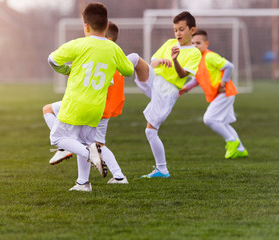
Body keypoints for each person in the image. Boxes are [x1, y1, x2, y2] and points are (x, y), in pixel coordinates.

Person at [47, 3, 134, 192]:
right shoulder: (113, 49)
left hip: (75, 104)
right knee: (85, 141)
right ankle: (82, 183)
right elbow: (128, 70)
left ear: (85, 25)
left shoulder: (79, 43)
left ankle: (88, 153)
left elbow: (52, 59)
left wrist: (67, 70)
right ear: (106, 24)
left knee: (57, 138)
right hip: (96, 107)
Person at [127, 11, 201, 178]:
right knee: (134, 58)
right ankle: (113, 76)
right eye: (175, 30)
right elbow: (153, 63)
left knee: (150, 132)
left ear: (192, 30)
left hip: (167, 90)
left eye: (182, 29)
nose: (178, 33)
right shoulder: (169, 43)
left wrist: (175, 60)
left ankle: (162, 170)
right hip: (154, 81)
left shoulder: (194, 53)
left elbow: (183, 75)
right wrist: (161, 61)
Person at [178, 29, 248, 159]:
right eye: (192, 43)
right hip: (219, 94)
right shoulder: (197, 60)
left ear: (206, 44)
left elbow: (229, 66)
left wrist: (223, 82)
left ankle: (232, 141)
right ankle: (240, 149)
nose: (195, 46)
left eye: (198, 43)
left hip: (224, 92)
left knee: (209, 119)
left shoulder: (210, 56)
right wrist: (186, 88)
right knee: (224, 123)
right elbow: (197, 78)